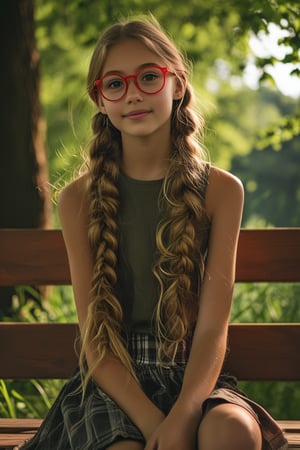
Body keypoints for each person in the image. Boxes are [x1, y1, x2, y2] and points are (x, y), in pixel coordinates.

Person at [20, 16, 288, 450]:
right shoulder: (77, 200)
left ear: (177, 85)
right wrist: (151, 423)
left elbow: (211, 330)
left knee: (230, 433)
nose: (134, 95)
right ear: (100, 100)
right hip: (111, 384)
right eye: (115, 84)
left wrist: (182, 414)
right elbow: (97, 339)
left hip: (196, 377)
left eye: (149, 77)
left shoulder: (221, 191)